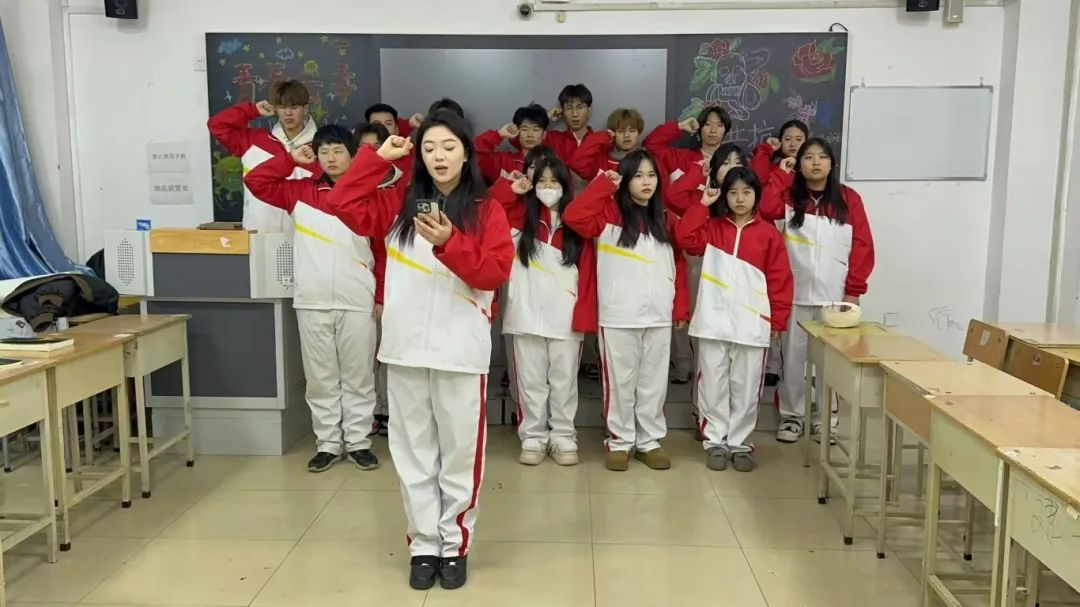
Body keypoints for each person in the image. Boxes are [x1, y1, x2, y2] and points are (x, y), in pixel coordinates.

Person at [327, 112, 514, 591]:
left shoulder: (486, 210)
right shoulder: (396, 203)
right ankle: (424, 544)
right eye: (429, 148)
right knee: (412, 455)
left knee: (459, 455)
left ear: (466, 153)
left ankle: (454, 544)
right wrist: (376, 159)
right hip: (406, 349)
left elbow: (494, 272)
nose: (439, 156)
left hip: (460, 352)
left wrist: (451, 242)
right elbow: (341, 200)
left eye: (449, 147)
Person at [242, 125, 383, 473]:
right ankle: (328, 443)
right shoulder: (299, 191)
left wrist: (380, 293)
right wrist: (290, 160)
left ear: (353, 155)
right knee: (320, 377)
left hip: (357, 298)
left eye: (338, 151)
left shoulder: (369, 194)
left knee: (359, 375)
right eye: (324, 151)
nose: (331, 158)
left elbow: (382, 250)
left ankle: (359, 442)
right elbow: (256, 181)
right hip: (312, 298)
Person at [563, 150, 690, 472]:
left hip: (659, 316)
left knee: (653, 382)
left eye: (652, 175)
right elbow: (574, 216)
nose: (646, 182)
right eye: (638, 176)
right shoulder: (608, 214)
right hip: (618, 315)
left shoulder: (666, 219)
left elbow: (677, 266)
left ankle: (649, 441)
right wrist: (603, 185)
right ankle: (619, 441)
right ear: (625, 180)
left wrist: (679, 307)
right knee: (620, 383)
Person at [674, 167, 793, 471]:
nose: (740, 199)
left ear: (756, 195)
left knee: (747, 386)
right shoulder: (712, 228)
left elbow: (780, 279)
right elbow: (685, 238)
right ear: (724, 196)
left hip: (752, 324)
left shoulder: (769, 234)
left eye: (746, 192)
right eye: (733, 192)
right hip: (712, 321)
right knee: (712, 385)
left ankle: (740, 444)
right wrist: (702, 204)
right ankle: (715, 441)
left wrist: (777, 320)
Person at [760, 137, 875, 443]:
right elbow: (766, 208)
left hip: (834, 298)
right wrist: (781, 174)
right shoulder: (788, 197)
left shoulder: (849, 200)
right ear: (799, 164)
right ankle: (792, 417)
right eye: (808, 157)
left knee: (830, 364)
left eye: (821, 157)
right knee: (793, 361)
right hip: (794, 296)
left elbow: (863, 246)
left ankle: (826, 420)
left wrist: (853, 291)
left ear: (831, 163)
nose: (815, 162)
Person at [489, 155, 596, 467]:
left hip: (565, 320)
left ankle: (563, 437)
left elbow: (588, 275)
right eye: (542, 181)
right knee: (530, 382)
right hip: (524, 317)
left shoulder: (577, 226)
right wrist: (511, 189)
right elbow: (487, 210)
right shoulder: (519, 219)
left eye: (555, 181)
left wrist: (584, 315)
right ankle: (533, 437)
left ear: (566, 186)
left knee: (564, 382)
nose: (548, 187)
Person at [666, 143, 749, 434]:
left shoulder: (748, 199)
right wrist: (697, 176)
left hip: (740, 285)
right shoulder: (702, 195)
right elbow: (673, 198)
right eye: (725, 163)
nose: (731, 168)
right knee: (707, 352)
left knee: (736, 358)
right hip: (703, 275)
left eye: (737, 162)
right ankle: (702, 413)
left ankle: (732, 420)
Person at [208, 79, 320, 233]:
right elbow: (217, 125)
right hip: (257, 235)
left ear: (305, 108)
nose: (288, 113)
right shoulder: (253, 141)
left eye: (294, 107)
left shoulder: (321, 151)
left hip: (303, 239)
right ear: (275, 109)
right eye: (282, 107)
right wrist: (252, 110)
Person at [644, 105, 731, 183]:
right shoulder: (679, 158)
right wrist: (680, 126)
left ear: (726, 131)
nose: (713, 130)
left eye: (719, 125)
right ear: (699, 128)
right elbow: (651, 144)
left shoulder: (734, 163)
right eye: (707, 124)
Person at [475, 103, 550, 183]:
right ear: (517, 132)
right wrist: (499, 133)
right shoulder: (503, 162)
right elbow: (474, 152)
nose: (530, 135)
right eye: (524, 129)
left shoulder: (552, 163)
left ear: (544, 134)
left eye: (535, 129)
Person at [568, 107, 644, 181]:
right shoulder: (602, 161)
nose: (626, 135)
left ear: (638, 133)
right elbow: (577, 164)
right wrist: (605, 136)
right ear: (613, 133)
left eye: (632, 131)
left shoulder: (646, 159)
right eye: (621, 131)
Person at [543, 83, 594, 162]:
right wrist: (546, 119)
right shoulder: (553, 140)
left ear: (589, 111)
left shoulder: (600, 141)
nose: (574, 114)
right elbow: (526, 140)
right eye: (569, 108)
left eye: (580, 107)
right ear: (562, 112)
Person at [750, 120, 808, 186]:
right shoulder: (772, 170)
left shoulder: (811, 167)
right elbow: (759, 183)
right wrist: (766, 148)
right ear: (780, 141)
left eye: (798, 139)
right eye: (787, 139)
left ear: (806, 142)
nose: (793, 144)